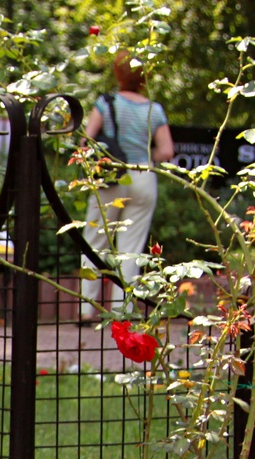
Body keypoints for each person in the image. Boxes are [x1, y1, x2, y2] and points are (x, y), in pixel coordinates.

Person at [79, 51, 174, 321]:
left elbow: (87, 142)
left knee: (94, 241)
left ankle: (87, 308)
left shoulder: (106, 103)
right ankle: (123, 311)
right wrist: (143, 158)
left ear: (117, 74)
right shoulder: (154, 110)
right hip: (143, 176)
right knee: (131, 247)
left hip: (112, 176)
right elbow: (167, 151)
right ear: (144, 76)